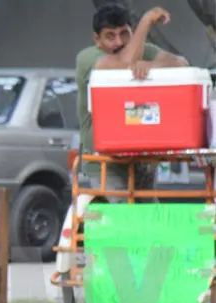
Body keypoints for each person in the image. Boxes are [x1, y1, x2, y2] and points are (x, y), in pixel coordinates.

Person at [76, 4, 189, 197]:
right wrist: (146, 21)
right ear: (97, 40)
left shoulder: (141, 51)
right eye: (110, 36)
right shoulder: (88, 58)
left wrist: (149, 65)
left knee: (149, 221)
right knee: (122, 220)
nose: (119, 42)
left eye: (124, 33)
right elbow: (124, 65)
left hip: (141, 159)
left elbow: (182, 64)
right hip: (104, 161)